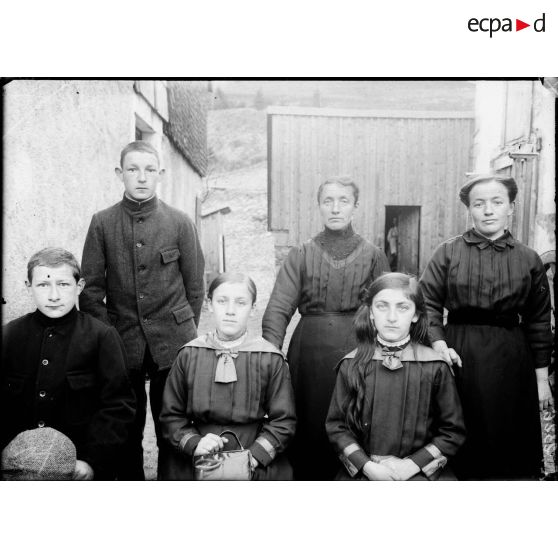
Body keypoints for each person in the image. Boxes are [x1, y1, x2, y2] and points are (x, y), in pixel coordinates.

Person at [79, 140, 205, 480]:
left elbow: (195, 288)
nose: (142, 177)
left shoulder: (180, 223)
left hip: (174, 343)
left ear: (160, 173)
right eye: (133, 169)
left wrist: (182, 332)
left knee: (174, 428)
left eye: (150, 169)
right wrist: (109, 338)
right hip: (122, 343)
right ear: (119, 173)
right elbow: (90, 291)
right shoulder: (102, 223)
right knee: (126, 429)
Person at [420, 174, 553, 480]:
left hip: (512, 357)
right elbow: (426, 303)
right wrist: (439, 344)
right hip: (459, 355)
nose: (488, 210)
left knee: (508, 442)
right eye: (479, 204)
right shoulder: (448, 253)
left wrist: (541, 379)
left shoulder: (528, 259)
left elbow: (538, 320)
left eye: (497, 202)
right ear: (470, 209)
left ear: (511, 207)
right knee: (462, 435)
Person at [262, 176, 389, 480]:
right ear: (319, 206)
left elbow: (388, 305)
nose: (335, 208)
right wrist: (268, 356)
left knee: (354, 419)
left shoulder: (373, 255)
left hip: (357, 351)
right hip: (309, 353)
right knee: (310, 421)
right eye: (327, 201)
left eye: (343, 201)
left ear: (355, 207)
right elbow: (279, 307)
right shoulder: (301, 254)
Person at [1, 248, 135, 480]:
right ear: (28, 286)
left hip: (78, 469)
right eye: (43, 285)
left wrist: (92, 461)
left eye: (63, 284)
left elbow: (119, 407)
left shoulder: (101, 337)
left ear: (79, 286)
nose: (54, 296)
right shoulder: (9, 336)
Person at [326, 272, 466, 481]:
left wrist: (412, 465)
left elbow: (452, 431)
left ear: (416, 314)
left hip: (419, 472)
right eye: (382, 306)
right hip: (367, 471)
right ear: (371, 312)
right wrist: (367, 467)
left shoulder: (435, 366)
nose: (392, 317)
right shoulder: (351, 364)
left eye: (402, 307)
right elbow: (337, 427)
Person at [160, 273, 296, 480]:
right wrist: (195, 444)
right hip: (199, 455)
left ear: (253, 308)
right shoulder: (188, 355)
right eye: (222, 301)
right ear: (210, 305)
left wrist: (254, 457)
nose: (230, 311)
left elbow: (284, 421)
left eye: (241, 303)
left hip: (253, 455)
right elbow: (171, 416)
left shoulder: (270, 358)